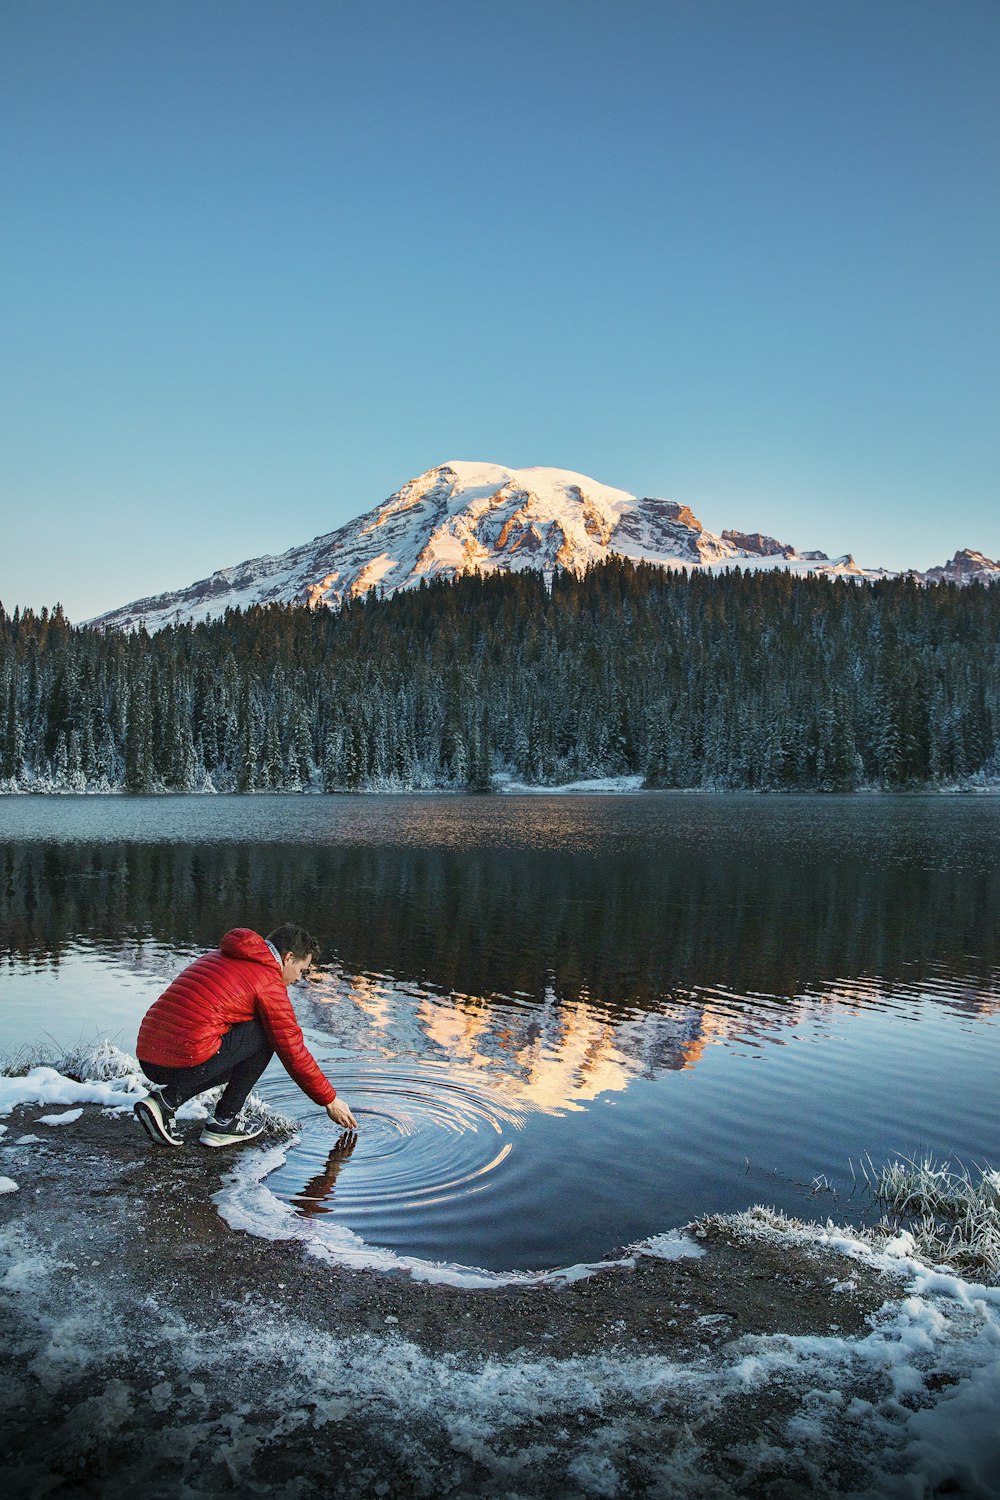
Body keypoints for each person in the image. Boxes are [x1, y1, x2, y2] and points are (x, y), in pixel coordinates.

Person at [133, 922, 357, 1148]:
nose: (299, 979)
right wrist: (330, 1100)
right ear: (288, 958)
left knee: (248, 1031)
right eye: (301, 970)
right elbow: (293, 1051)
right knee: (267, 1035)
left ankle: (168, 1102)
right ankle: (221, 1121)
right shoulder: (268, 981)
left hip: (149, 1056)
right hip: (179, 1058)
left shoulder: (221, 955)